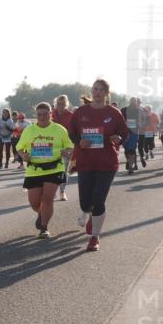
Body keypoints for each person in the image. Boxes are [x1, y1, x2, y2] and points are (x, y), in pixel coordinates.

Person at [69, 79, 129, 252]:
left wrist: (119, 139)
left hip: (106, 162)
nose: (97, 92)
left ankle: (94, 236)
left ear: (106, 94)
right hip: (85, 161)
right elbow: (72, 133)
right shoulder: (81, 112)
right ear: (91, 91)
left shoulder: (114, 113)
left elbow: (124, 134)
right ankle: (88, 215)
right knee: (85, 203)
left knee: (98, 199)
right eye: (95, 88)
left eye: (101, 89)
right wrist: (79, 141)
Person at [15, 103, 74, 238]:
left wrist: (67, 152)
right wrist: (24, 155)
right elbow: (19, 147)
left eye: (45, 114)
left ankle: (44, 227)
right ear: (36, 115)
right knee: (34, 202)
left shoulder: (59, 129)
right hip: (34, 169)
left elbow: (70, 146)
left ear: (50, 114)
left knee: (47, 199)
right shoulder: (29, 131)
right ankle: (41, 213)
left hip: (54, 168)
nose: (42, 117)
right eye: (39, 114)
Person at [51, 95, 75, 199]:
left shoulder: (71, 115)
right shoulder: (51, 114)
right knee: (52, 170)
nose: (60, 106)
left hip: (66, 146)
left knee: (64, 170)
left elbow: (75, 131)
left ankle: (62, 192)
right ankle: (52, 191)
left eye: (63, 104)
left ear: (66, 105)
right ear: (55, 104)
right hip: (51, 145)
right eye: (59, 104)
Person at [121, 97, 145, 174]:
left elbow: (143, 120)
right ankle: (128, 161)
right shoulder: (123, 110)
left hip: (134, 133)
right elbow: (119, 119)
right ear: (129, 101)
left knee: (131, 150)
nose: (133, 102)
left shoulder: (139, 111)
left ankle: (130, 167)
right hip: (124, 132)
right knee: (126, 150)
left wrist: (139, 124)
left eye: (134, 101)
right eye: (132, 101)